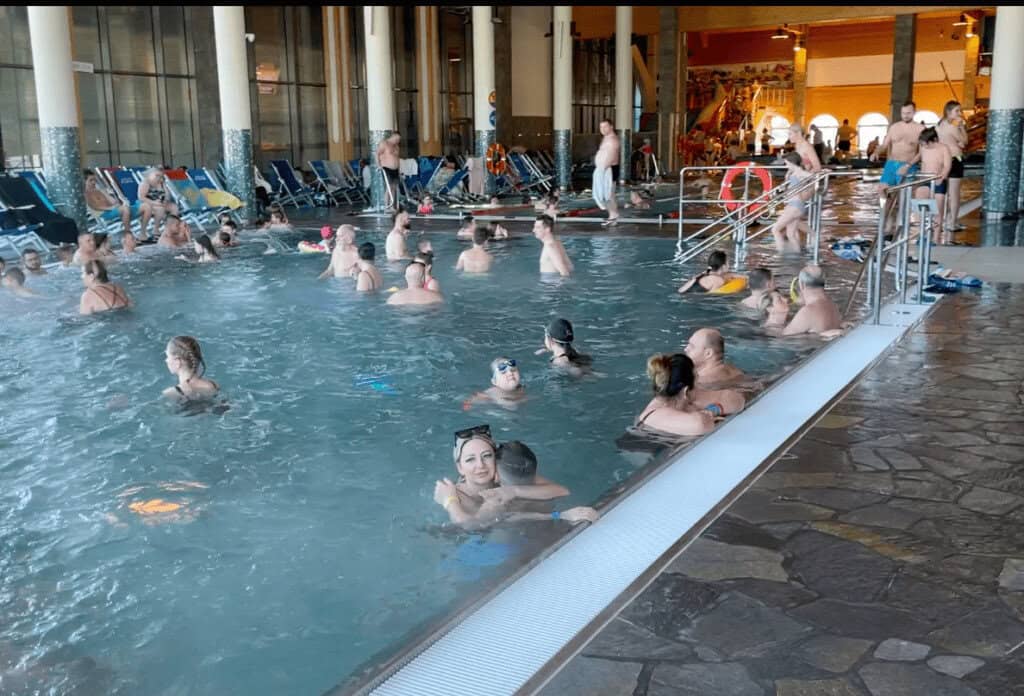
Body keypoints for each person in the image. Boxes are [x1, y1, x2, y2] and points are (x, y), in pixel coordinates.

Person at [433, 426, 593, 528]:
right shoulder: (455, 494)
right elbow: (470, 525)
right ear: (460, 467)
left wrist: (514, 490)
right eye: (470, 459)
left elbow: (561, 491)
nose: (480, 465)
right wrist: (450, 502)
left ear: (496, 458)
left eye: (487, 456)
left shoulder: (506, 474)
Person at [634, 354, 722, 437]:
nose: (698, 387)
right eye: (696, 381)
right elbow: (702, 424)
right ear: (685, 391)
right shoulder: (656, 414)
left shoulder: (667, 401)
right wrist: (708, 416)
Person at [871, 101, 924, 191]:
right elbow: (884, 145)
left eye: (908, 113)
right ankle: (886, 205)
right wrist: (876, 152)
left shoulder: (920, 129)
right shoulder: (894, 127)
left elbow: (922, 152)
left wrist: (908, 165)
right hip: (891, 164)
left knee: (905, 194)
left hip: (908, 165)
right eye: (903, 113)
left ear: (914, 112)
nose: (905, 115)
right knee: (883, 191)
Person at [771, 151, 814, 254]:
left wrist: (805, 191)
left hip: (794, 206)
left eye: (786, 163)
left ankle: (781, 253)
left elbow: (812, 177)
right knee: (790, 234)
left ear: (791, 162)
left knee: (775, 229)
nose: (786, 165)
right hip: (795, 206)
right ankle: (796, 256)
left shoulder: (799, 172)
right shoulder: (794, 173)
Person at [936, 100, 968, 232]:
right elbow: (965, 141)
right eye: (957, 111)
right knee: (954, 194)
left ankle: (939, 222)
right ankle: (952, 223)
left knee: (940, 193)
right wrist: (962, 127)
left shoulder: (938, 126)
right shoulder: (953, 127)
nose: (959, 113)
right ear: (949, 112)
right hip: (955, 160)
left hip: (942, 160)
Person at [783, 264, 842, 336]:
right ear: (823, 283)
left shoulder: (807, 312)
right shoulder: (833, 306)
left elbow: (783, 337)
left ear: (802, 284)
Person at [914, 127, 953, 238]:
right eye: (923, 144)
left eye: (927, 144)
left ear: (934, 140)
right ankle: (922, 234)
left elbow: (947, 166)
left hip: (938, 180)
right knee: (919, 205)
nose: (925, 146)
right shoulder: (923, 147)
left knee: (937, 210)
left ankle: (936, 237)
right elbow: (921, 160)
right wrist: (908, 165)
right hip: (925, 179)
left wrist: (942, 178)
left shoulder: (944, 148)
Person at [162, 335, 219, 402]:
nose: (166, 360)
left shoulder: (171, 393)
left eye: (167, 356)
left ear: (177, 362)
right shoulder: (213, 385)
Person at [84, 170, 137, 238]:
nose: (94, 182)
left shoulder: (98, 190)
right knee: (125, 209)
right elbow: (94, 206)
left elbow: (114, 202)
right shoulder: (85, 194)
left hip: (112, 210)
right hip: (103, 214)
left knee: (141, 206)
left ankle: (138, 233)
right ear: (85, 181)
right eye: (91, 180)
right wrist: (109, 208)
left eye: (94, 180)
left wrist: (106, 193)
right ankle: (128, 234)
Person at [593, 118, 621, 226]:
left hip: (609, 169)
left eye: (605, 126)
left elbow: (612, 154)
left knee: (609, 194)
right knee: (606, 194)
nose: (603, 129)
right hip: (604, 169)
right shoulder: (606, 138)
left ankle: (614, 216)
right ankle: (612, 215)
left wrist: (604, 167)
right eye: (601, 127)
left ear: (611, 126)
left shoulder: (613, 139)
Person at [137, 168, 179, 239]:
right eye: (157, 175)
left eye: (160, 176)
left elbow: (167, 194)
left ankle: (169, 228)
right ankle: (155, 230)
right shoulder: (145, 183)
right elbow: (141, 197)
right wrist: (154, 203)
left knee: (174, 207)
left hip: (160, 203)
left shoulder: (161, 183)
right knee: (160, 209)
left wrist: (165, 200)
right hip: (148, 204)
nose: (159, 177)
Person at [677, 250, 743, 294]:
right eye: (728, 263)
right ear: (723, 266)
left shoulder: (705, 273)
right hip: (690, 301)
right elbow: (712, 297)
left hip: (681, 294)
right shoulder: (718, 280)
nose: (729, 265)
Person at [376, 131, 402, 208]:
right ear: (393, 136)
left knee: (394, 187)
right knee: (389, 187)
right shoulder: (384, 144)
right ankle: (386, 206)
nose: (397, 141)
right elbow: (377, 154)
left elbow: (397, 159)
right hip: (386, 168)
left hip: (395, 169)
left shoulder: (396, 146)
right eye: (397, 139)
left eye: (399, 140)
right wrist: (379, 165)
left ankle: (392, 206)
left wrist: (399, 170)